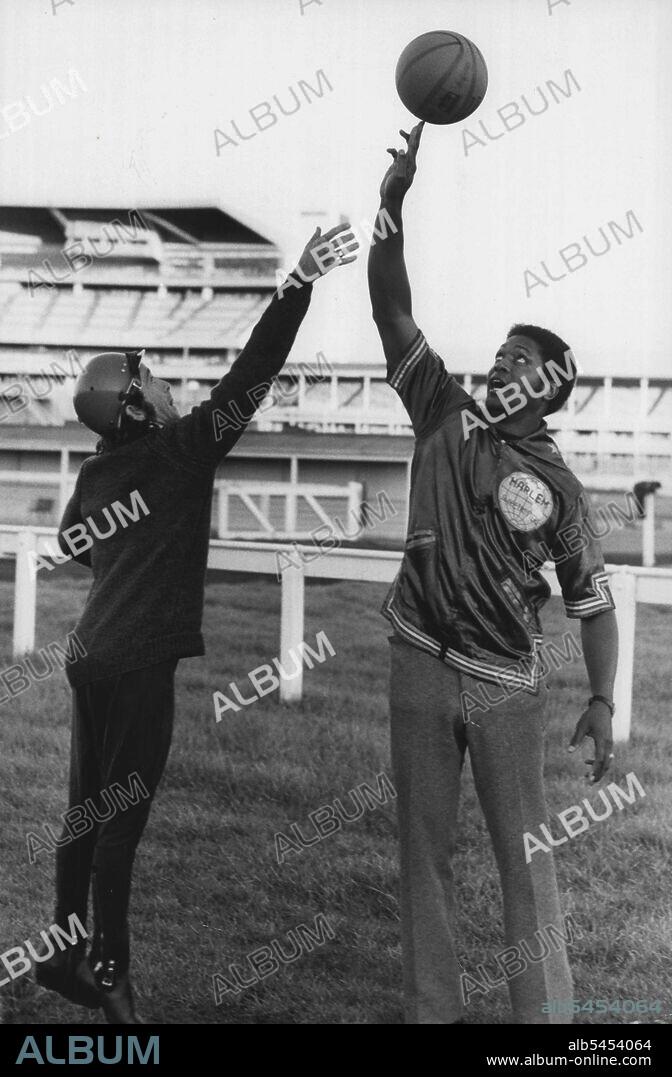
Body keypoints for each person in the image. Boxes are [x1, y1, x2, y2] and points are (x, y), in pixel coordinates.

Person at [35, 223, 358, 1023]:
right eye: (156, 377)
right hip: (139, 656)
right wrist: (300, 280)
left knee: (85, 809)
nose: (173, 384)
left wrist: (131, 564)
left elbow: (74, 544)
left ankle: (62, 951)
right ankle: (109, 965)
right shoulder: (180, 450)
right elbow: (254, 372)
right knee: (121, 816)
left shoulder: (98, 469)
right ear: (136, 402)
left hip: (91, 652)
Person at [367, 121, 618, 1025]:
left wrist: (601, 698)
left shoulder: (559, 487)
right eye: (502, 353)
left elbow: (593, 603)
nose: (502, 363)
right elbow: (393, 308)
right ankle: (432, 1011)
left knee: (527, 855)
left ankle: (543, 1023)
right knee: (420, 851)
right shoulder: (442, 410)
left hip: (507, 684)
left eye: (523, 361)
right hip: (420, 657)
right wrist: (391, 206)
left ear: (551, 390)